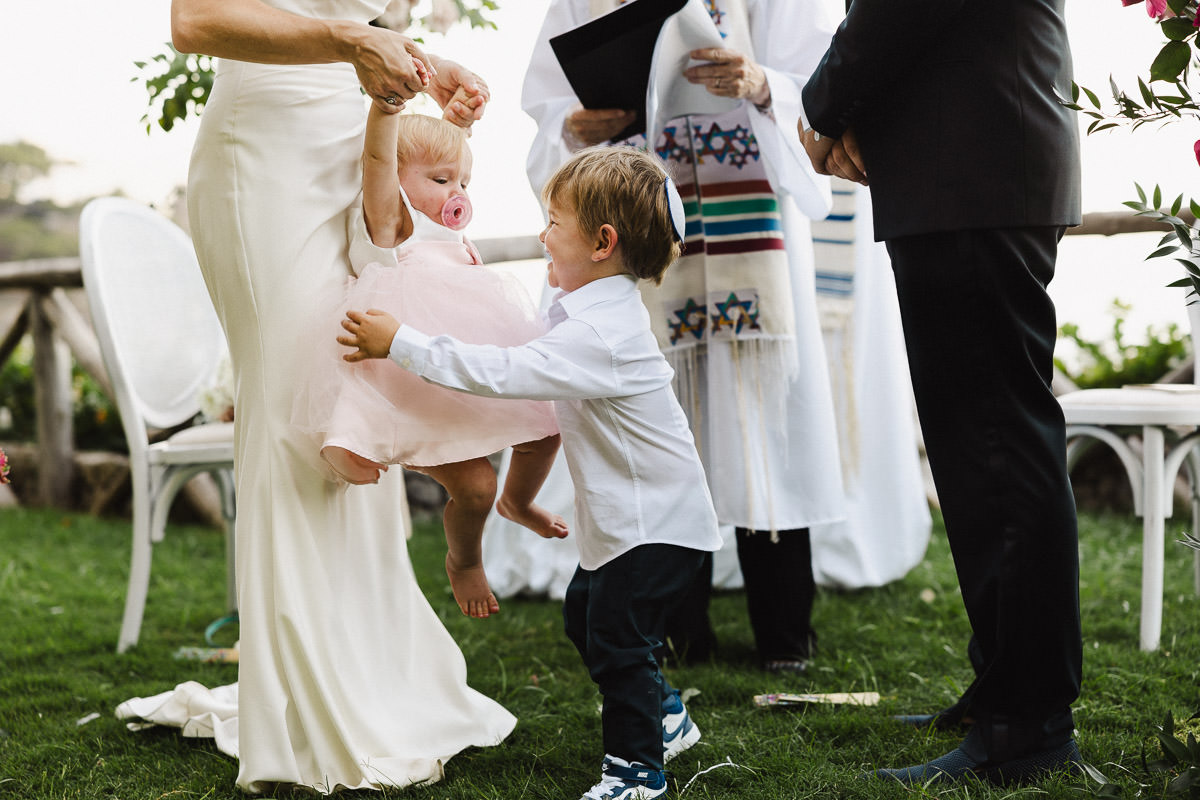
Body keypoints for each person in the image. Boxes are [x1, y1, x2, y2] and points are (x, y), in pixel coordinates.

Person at [130, 0, 517, 792]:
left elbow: (359, 19)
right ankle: (300, 705)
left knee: (351, 404)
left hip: (357, 137)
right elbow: (195, 20)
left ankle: (373, 679)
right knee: (291, 420)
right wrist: (349, 41)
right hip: (265, 153)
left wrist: (416, 66)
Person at [338, 146, 724, 800]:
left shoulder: (599, 336)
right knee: (586, 618)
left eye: (554, 222)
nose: (543, 234)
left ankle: (636, 774)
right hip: (630, 524)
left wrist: (400, 342)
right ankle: (665, 716)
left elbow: (500, 374)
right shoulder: (586, 317)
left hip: (656, 527)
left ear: (602, 242)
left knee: (618, 644)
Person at [503, 0, 848, 673]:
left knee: (763, 421)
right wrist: (574, 130)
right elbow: (547, 105)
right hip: (640, 228)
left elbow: (819, 80)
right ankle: (680, 627)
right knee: (662, 427)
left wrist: (759, 83)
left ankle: (785, 630)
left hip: (753, 231)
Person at [800, 0, 1084, 785]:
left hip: (976, 169)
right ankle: (1004, 687)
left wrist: (821, 108)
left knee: (997, 445)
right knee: (978, 449)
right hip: (970, 165)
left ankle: (1025, 722)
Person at [296, 109, 564, 618]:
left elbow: (434, 157)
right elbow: (380, 156)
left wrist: (456, 125)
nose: (456, 192)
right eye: (441, 180)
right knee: (476, 488)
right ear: (395, 181)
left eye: (462, 180)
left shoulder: (452, 236)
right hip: (412, 385)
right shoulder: (392, 221)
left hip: (465, 367)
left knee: (546, 427)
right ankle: (464, 559)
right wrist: (384, 107)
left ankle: (520, 502)